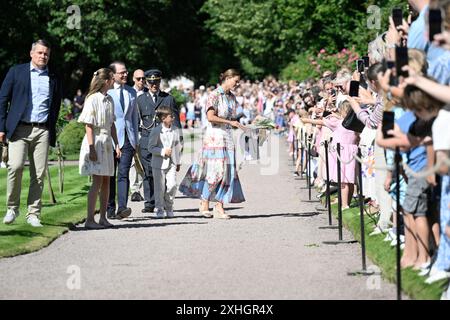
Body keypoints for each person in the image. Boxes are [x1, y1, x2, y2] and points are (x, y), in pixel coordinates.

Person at [0, 39, 62, 227]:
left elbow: (56, 104)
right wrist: (1, 128)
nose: (43, 56)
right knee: (16, 166)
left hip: (42, 129)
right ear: (31, 53)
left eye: (46, 54)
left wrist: (52, 127)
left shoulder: (53, 76)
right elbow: (2, 100)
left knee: (39, 173)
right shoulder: (16, 72)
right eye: (40, 53)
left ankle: (33, 213)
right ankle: (12, 208)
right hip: (19, 128)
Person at [179, 69, 246, 219]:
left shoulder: (231, 97)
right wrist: (230, 121)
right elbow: (210, 117)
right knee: (216, 170)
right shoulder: (214, 95)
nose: (237, 84)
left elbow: (239, 116)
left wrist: (257, 125)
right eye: (236, 81)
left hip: (227, 136)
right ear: (227, 78)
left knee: (228, 171)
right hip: (214, 136)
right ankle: (204, 201)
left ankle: (219, 205)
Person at [78, 68, 121, 229]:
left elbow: (112, 125)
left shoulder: (109, 99)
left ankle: (103, 217)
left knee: (107, 180)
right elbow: (88, 125)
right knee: (97, 181)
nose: (114, 80)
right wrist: (92, 148)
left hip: (107, 143)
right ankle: (90, 219)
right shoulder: (92, 99)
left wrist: (117, 144)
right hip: (96, 141)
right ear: (106, 81)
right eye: (112, 78)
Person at [136, 69, 182, 215]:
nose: (154, 85)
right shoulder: (140, 99)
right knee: (148, 172)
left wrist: (179, 143)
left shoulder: (168, 99)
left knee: (165, 175)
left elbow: (176, 123)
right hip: (147, 140)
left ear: (160, 82)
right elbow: (137, 121)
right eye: (151, 82)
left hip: (165, 141)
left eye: (156, 82)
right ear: (146, 82)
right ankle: (150, 202)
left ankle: (161, 202)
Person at [107, 61, 139, 219]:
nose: (125, 74)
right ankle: (110, 208)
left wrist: (136, 141)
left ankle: (123, 207)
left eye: (126, 72)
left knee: (124, 173)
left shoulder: (132, 92)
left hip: (128, 138)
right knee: (110, 174)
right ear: (113, 75)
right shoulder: (106, 92)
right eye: (122, 72)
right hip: (110, 138)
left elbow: (134, 117)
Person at [148, 106, 182, 218]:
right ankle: (159, 208)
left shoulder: (176, 130)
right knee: (160, 188)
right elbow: (151, 148)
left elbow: (177, 147)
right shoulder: (156, 131)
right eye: (170, 116)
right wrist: (162, 151)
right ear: (163, 118)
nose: (173, 118)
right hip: (158, 164)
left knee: (172, 185)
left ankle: (169, 207)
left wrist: (178, 162)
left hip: (171, 163)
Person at [130, 69, 146, 202]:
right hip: (131, 132)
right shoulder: (129, 92)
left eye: (143, 78)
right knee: (132, 162)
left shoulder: (148, 94)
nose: (141, 81)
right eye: (138, 78)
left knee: (142, 161)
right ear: (133, 79)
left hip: (145, 132)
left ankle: (142, 186)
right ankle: (135, 190)